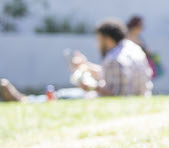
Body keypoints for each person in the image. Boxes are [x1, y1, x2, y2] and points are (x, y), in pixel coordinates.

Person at [1, 18, 153, 102]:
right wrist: (86, 66)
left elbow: (117, 95)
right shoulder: (130, 49)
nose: (97, 44)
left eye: (98, 40)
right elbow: (114, 76)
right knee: (69, 94)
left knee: (65, 95)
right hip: (142, 96)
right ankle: (27, 99)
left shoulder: (115, 59)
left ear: (107, 39)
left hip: (124, 99)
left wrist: (92, 87)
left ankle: (25, 100)